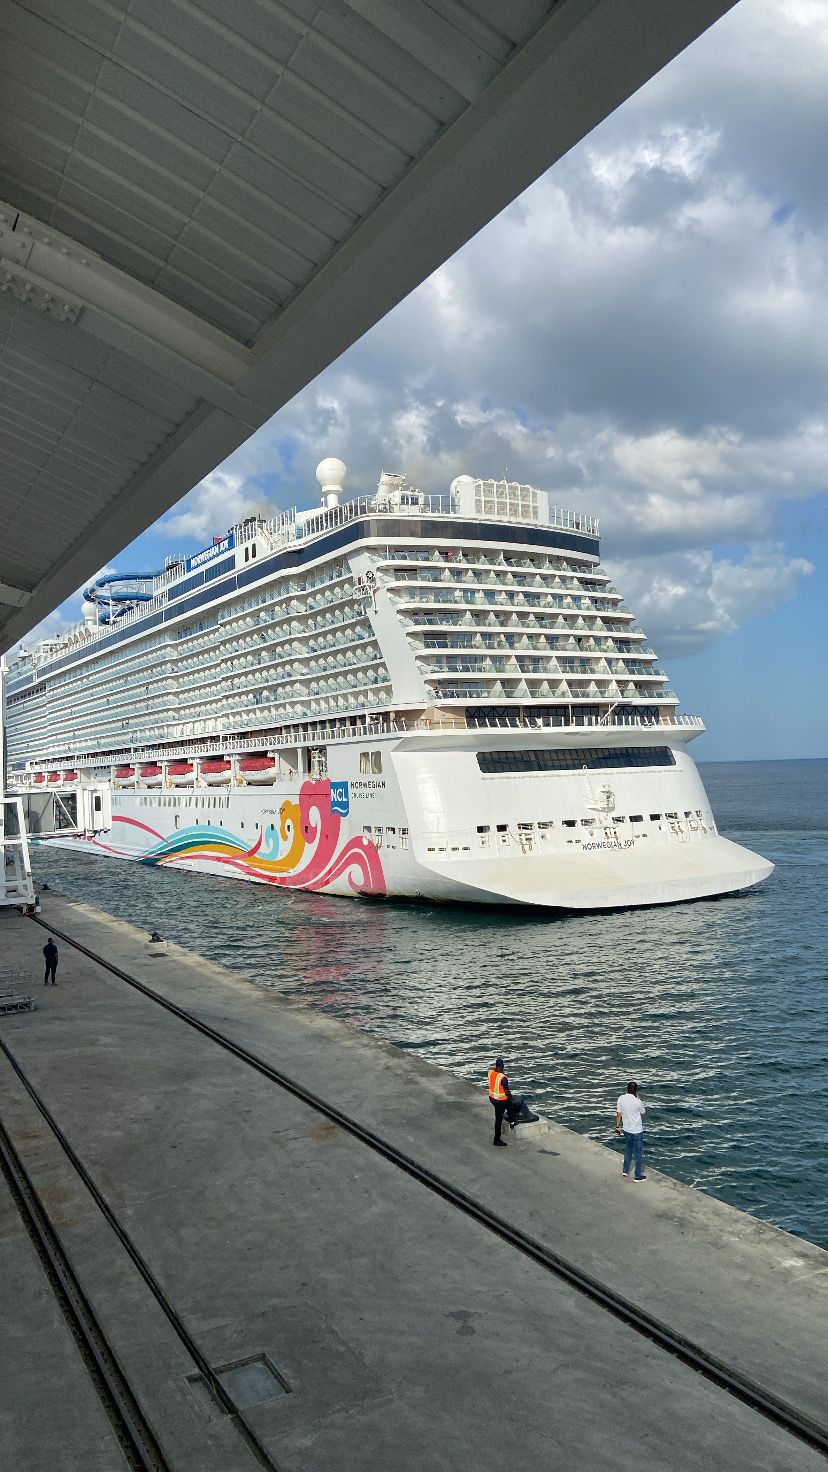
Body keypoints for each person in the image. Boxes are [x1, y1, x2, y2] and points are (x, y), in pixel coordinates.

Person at [615, 1081, 646, 1180]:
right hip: (637, 1130)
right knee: (638, 1153)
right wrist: (639, 1099)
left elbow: (619, 1114)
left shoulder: (621, 1098)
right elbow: (642, 1113)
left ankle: (625, 1170)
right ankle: (637, 1176)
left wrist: (617, 1127)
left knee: (628, 1150)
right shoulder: (638, 1101)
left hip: (626, 1129)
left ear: (627, 1089)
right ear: (636, 1090)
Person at [488, 1057, 519, 1146]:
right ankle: (497, 1139)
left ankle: (512, 1121)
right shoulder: (503, 1078)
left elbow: (492, 1070)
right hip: (499, 1101)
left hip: (492, 1098)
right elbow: (506, 1092)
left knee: (508, 1106)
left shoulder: (490, 1073)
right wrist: (511, 1097)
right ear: (502, 1066)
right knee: (499, 1119)